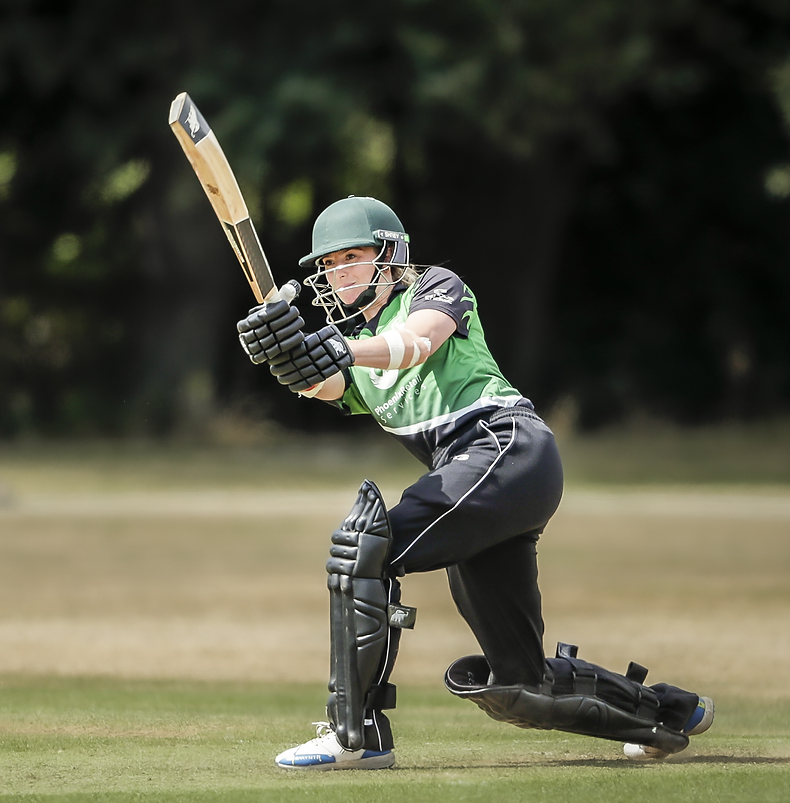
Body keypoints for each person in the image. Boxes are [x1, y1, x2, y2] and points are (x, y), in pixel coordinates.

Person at [237, 195, 713, 770]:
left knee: (365, 546)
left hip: (506, 447)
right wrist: (288, 360)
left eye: (353, 257)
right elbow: (329, 385)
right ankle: (663, 713)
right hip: (478, 481)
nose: (340, 275)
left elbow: (413, 345)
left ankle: (354, 736)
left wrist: (335, 347)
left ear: (390, 255)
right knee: (519, 688)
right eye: (330, 265)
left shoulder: (433, 287)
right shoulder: (361, 352)